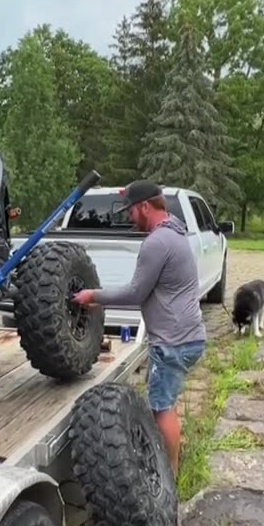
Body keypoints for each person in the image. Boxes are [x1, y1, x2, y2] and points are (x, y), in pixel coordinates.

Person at [71, 180, 206, 475]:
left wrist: (93, 296)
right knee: (165, 400)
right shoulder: (175, 231)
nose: (130, 217)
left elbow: (135, 293)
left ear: (145, 206)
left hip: (173, 342)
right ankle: (171, 463)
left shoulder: (157, 243)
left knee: (161, 407)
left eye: (131, 210)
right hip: (188, 336)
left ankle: (168, 474)